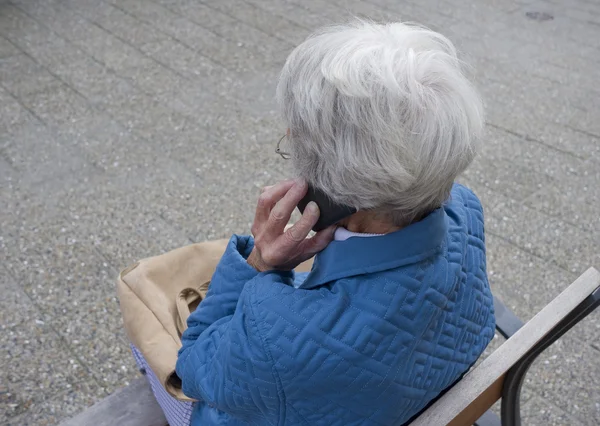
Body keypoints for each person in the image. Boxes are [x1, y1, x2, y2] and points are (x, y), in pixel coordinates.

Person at [176, 21, 495, 426]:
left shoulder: (276, 331)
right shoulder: (465, 209)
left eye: (295, 140)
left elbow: (192, 367)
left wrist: (260, 263)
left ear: (334, 182)